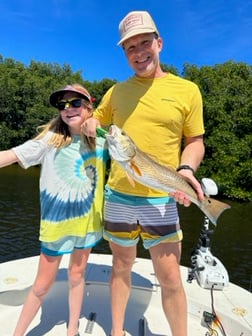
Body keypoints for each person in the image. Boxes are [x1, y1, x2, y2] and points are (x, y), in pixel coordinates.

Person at [83, 10, 205, 336]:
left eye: (144, 42)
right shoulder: (116, 92)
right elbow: (95, 121)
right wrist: (91, 123)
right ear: (124, 53)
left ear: (159, 43)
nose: (139, 53)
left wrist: (186, 169)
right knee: (121, 266)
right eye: (130, 48)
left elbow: (195, 142)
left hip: (162, 194)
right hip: (119, 194)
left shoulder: (188, 90)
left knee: (170, 277)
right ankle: (118, 331)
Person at [0, 84, 109, 336]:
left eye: (75, 103)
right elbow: (12, 155)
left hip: (88, 223)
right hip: (55, 225)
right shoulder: (51, 140)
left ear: (89, 107)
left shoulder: (102, 140)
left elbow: (135, 160)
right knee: (41, 286)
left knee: (77, 275)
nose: (68, 109)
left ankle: (72, 329)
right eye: (63, 105)